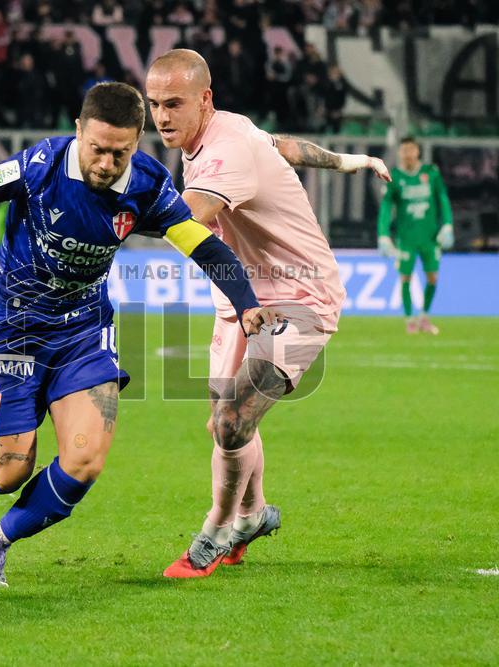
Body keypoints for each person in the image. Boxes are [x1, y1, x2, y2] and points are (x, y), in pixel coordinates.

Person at [0, 82, 277, 588]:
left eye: (121, 152)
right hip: (14, 329)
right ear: (78, 131)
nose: (107, 163)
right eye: (97, 149)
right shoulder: (39, 167)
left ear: (137, 142)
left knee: (85, 459)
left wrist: (247, 304)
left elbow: (205, 248)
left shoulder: (149, 188)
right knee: (10, 470)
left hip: (85, 333)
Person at [144, 49, 390, 578]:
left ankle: (216, 531)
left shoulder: (223, 151)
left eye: (173, 104)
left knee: (232, 419)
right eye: (154, 104)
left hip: (301, 298)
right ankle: (253, 514)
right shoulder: (227, 131)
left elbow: (186, 220)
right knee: (225, 425)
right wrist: (347, 161)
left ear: (204, 100)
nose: (161, 117)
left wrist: (101, 210)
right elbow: (280, 147)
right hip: (242, 298)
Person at [376, 136, 454, 335]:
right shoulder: (394, 177)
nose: (408, 154)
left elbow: (443, 198)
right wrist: (383, 235)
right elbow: (386, 207)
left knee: (433, 277)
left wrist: (447, 225)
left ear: (417, 151)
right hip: (406, 238)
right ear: (399, 153)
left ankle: (424, 316)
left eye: (411, 149)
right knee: (405, 278)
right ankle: (410, 319)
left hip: (430, 237)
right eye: (404, 150)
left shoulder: (431, 174)